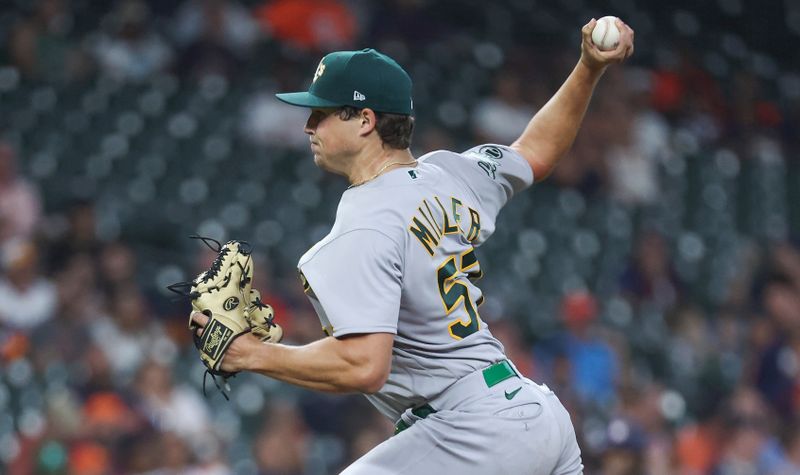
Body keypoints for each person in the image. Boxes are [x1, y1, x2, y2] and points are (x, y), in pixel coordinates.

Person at [192, 18, 634, 474]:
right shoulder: (450, 174)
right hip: (534, 414)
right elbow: (535, 151)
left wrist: (251, 354)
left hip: (474, 431)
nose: (308, 125)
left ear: (365, 120)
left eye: (321, 112)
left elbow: (365, 366)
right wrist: (587, 68)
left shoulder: (365, 221)